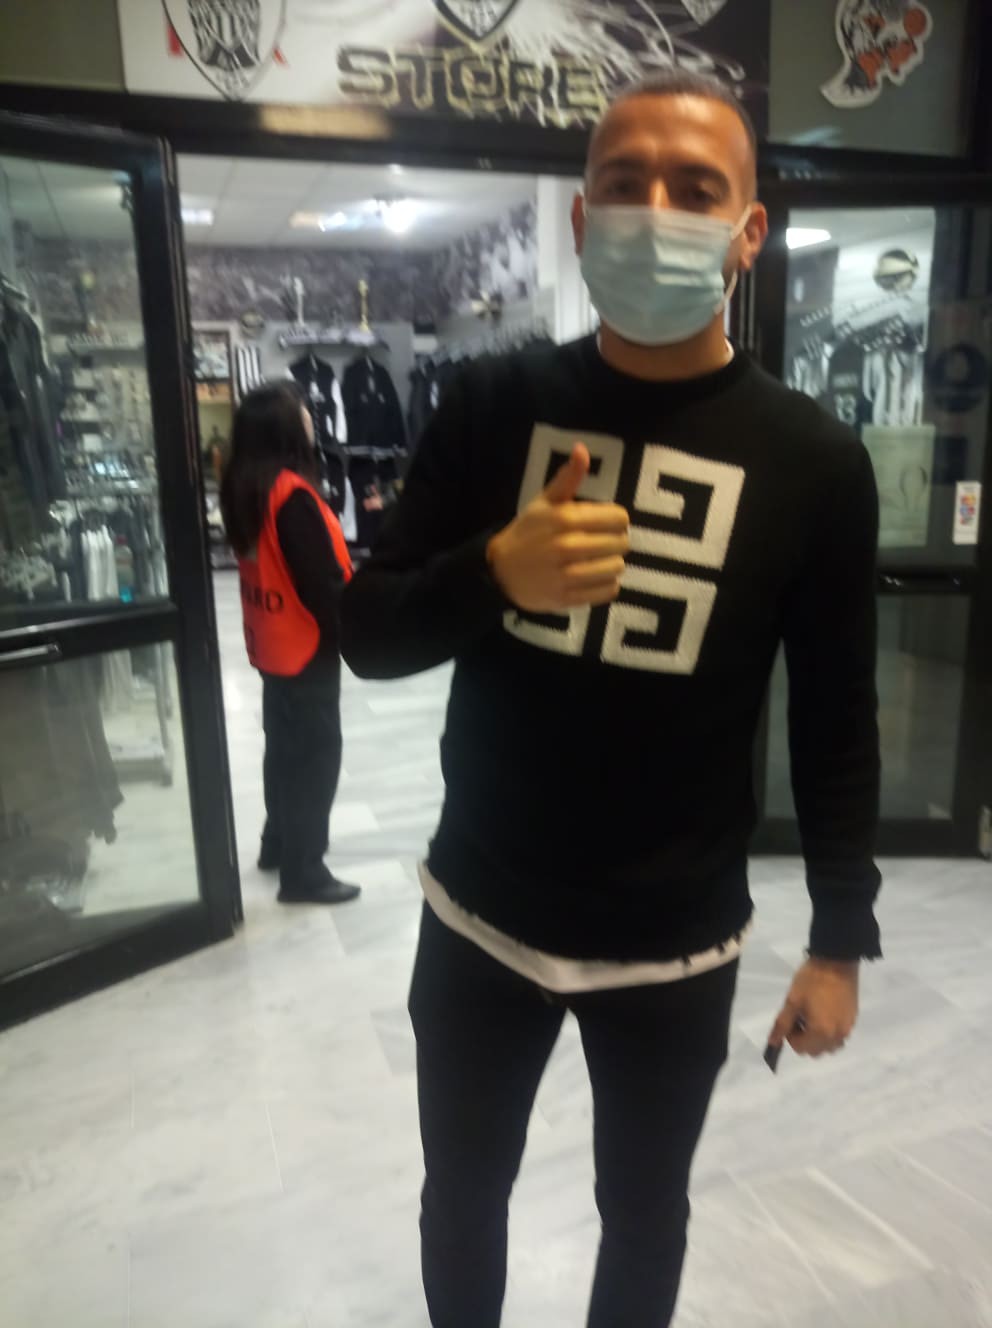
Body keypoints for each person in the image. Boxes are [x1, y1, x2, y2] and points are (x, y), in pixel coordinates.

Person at [341, 69, 881, 1327]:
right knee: (460, 1194)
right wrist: (492, 573)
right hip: (479, 914)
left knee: (644, 1211)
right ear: (580, 221)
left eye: (695, 189)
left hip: (676, 937)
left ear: (747, 231)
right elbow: (364, 633)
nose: (656, 212)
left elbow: (835, 716)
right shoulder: (493, 405)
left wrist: (838, 940)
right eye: (623, 184)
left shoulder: (811, 461)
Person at [221, 383, 361, 906]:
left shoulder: (245, 487)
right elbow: (322, 585)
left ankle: (278, 842)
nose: (310, 419)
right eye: (302, 413)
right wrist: (358, 624)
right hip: (306, 644)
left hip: (272, 641)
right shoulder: (292, 495)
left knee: (283, 748)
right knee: (315, 757)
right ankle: (304, 871)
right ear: (285, 427)